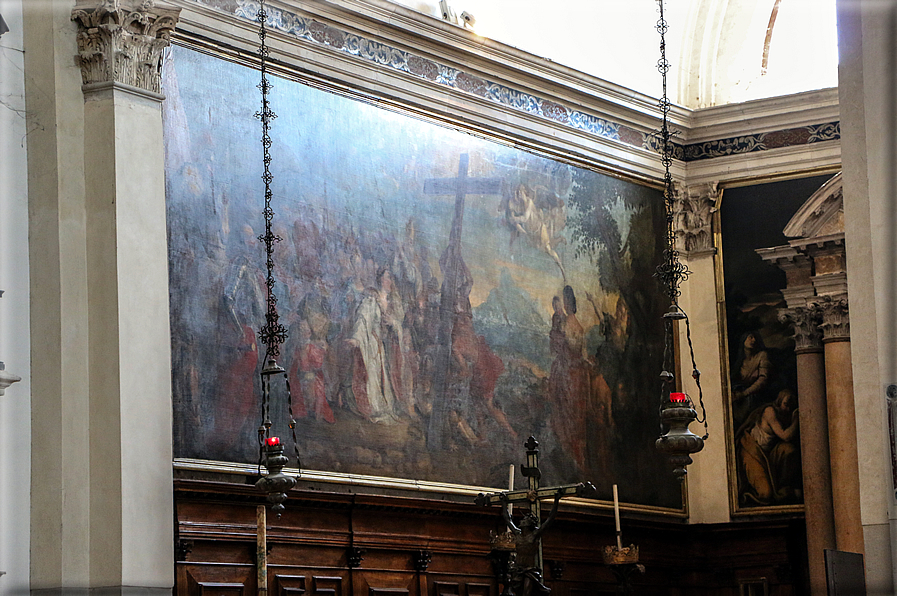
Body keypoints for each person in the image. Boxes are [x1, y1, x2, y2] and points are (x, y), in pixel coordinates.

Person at [737, 388, 801, 505]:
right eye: (785, 404)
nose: (787, 409)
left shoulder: (785, 415)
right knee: (766, 494)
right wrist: (797, 418)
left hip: (768, 453)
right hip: (753, 451)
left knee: (789, 450)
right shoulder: (770, 411)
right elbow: (785, 436)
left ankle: (783, 487)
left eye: (790, 406)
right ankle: (748, 494)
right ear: (779, 401)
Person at [499, 491, 563, 596]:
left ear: (529, 523)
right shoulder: (517, 533)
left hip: (529, 570)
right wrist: (503, 503)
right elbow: (507, 519)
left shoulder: (534, 535)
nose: (521, 521)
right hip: (517, 570)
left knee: (526, 593)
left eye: (524, 519)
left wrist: (556, 500)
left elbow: (550, 519)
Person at [731, 331, 771, 426]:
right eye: (750, 337)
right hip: (740, 396)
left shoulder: (762, 355)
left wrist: (745, 393)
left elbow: (763, 379)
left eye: (755, 338)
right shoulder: (740, 361)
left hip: (755, 395)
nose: (753, 340)